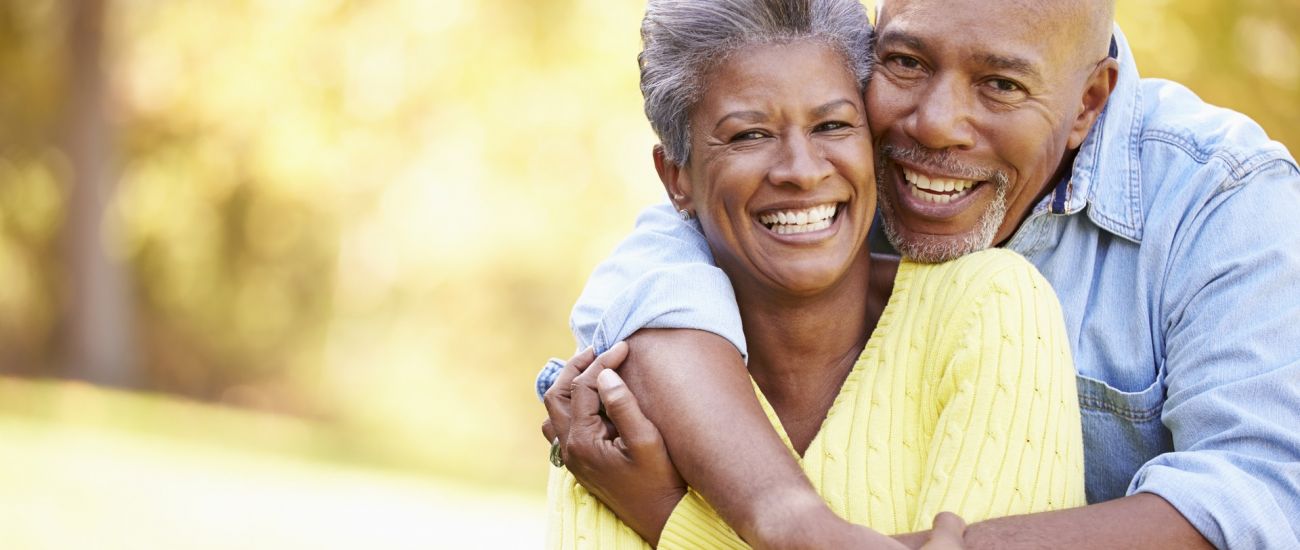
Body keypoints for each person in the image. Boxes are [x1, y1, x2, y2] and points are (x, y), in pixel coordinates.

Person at [540, 0, 1300, 548]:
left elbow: (1263, 497)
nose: (933, 124)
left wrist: (679, 518)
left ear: (1087, 105)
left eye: (1001, 84)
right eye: (905, 62)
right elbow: (659, 269)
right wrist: (787, 518)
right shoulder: (835, 158)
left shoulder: (1221, 198)